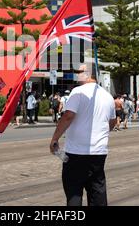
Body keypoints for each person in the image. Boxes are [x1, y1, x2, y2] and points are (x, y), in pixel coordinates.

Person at [49, 63, 116, 206]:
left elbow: (68, 116)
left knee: (74, 192)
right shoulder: (108, 96)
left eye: (79, 71)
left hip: (76, 152)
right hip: (98, 152)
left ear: (88, 73)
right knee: (97, 191)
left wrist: (55, 138)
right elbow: (112, 122)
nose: (76, 74)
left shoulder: (78, 92)